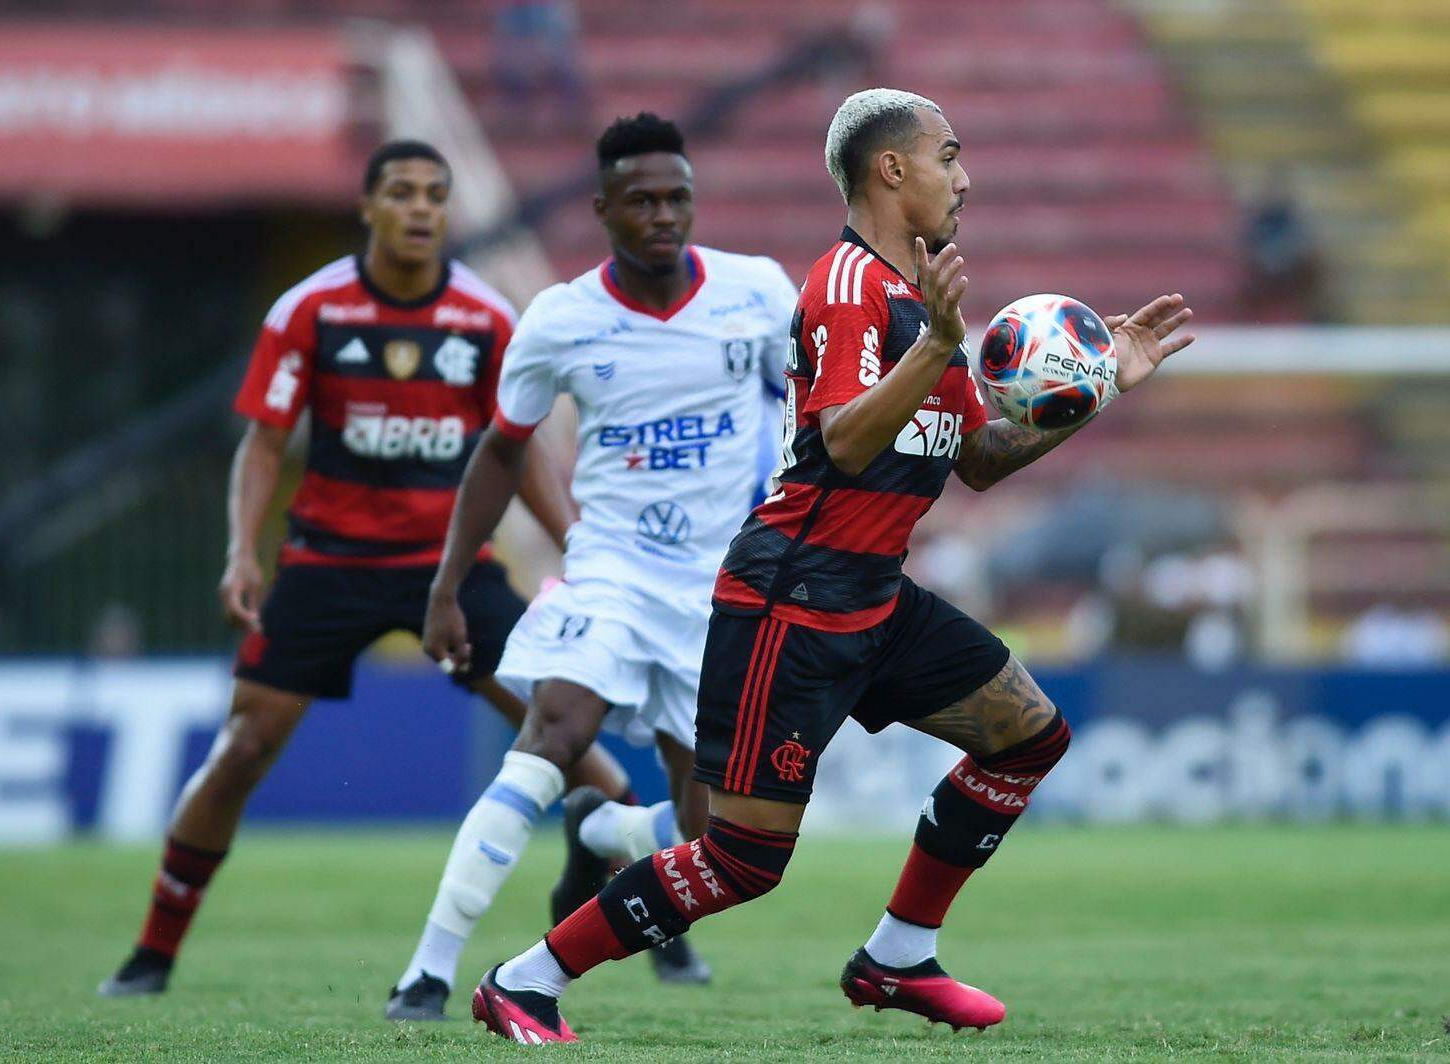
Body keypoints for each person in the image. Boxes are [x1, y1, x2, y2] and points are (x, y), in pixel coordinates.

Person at [471, 88, 1197, 1044]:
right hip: (791, 595)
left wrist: (1088, 392)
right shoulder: (850, 285)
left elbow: (974, 461)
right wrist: (939, 346)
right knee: (743, 859)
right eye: (949, 156)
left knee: (1027, 736)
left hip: (874, 593)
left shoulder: (920, 298)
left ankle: (897, 953)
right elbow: (846, 444)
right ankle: (524, 980)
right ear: (891, 169)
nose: (965, 178)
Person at [97, 139, 630, 997]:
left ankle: (628, 911)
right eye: (403, 193)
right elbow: (265, 441)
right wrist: (243, 548)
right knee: (242, 748)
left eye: (435, 194)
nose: (422, 208)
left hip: (448, 572)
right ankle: (152, 952)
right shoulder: (311, 310)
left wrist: (573, 540)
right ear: (369, 208)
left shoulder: (487, 318)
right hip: (327, 564)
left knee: (577, 748)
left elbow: (515, 447)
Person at [389, 113, 797, 1019]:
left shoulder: (759, 293)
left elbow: (806, 406)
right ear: (604, 207)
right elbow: (503, 449)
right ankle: (428, 967)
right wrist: (447, 586)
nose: (663, 215)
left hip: (720, 588)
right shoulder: (562, 318)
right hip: (612, 565)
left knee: (713, 834)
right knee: (553, 732)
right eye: (642, 200)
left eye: (677, 198)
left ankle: (603, 826)